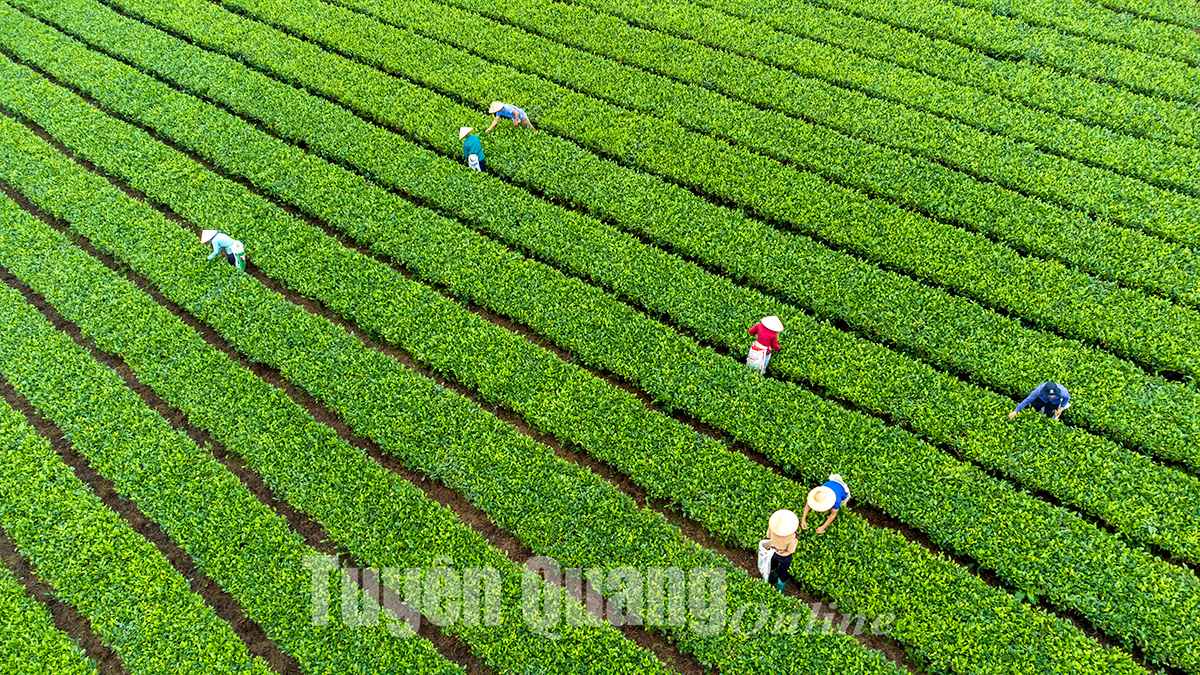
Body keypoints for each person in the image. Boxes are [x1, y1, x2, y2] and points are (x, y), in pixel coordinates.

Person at [764, 509, 798, 592]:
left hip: (774, 552)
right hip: (785, 557)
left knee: (772, 565)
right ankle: (779, 591)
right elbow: (790, 550)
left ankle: (771, 579)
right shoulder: (791, 538)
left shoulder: (772, 529)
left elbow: (768, 536)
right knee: (783, 573)